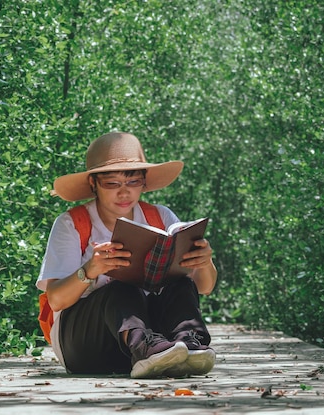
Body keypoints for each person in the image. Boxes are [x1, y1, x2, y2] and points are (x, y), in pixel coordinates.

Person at [36, 132, 217, 378]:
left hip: (160, 344)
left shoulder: (160, 217)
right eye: (112, 183)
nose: (124, 193)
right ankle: (144, 347)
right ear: (94, 184)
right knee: (121, 288)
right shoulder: (72, 224)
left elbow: (204, 287)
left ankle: (190, 344)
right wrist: (90, 270)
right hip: (87, 345)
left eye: (133, 182)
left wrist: (204, 262)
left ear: (144, 182)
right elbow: (55, 300)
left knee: (181, 283)